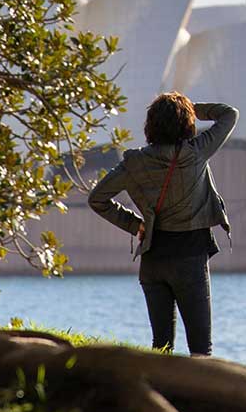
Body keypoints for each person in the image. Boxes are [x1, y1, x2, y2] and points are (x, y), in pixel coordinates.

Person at [87, 92, 238, 356]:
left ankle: (160, 390)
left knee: (161, 347)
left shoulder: (135, 162)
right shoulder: (196, 152)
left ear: (150, 126)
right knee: (201, 349)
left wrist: (135, 225)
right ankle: (195, 397)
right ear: (187, 123)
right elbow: (229, 114)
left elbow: (97, 199)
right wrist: (191, 108)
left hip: (153, 259)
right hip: (190, 258)